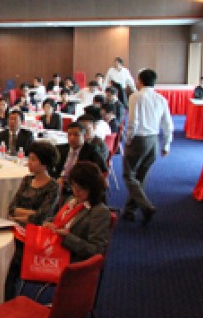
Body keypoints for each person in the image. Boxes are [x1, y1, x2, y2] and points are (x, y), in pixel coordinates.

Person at [4, 141, 60, 299]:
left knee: (11, 260)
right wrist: (28, 214)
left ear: (45, 163)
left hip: (34, 235)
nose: (29, 162)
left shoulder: (53, 186)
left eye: (34, 159)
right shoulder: (27, 180)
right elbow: (11, 208)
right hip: (16, 228)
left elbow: (41, 216)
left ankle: (8, 299)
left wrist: (21, 214)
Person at [122, 69, 173, 225]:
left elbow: (133, 122)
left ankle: (146, 206)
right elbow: (168, 124)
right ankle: (130, 210)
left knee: (129, 175)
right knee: (141, 177)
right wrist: (167, 143)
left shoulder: (135, 97)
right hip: (153, 141)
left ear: (140, 81)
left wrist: (128, 139)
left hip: (139, 139)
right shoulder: (161, 99)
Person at [43, 161, 111, 261]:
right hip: (53, 248)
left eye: (81, 188)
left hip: (72, 258)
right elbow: (60, 220)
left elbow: (96, 250)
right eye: (73, 186)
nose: (75, 191)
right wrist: (48, 223)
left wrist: (67, 238)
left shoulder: (99, 211)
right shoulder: (72, 200)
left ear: (92, 188)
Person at [55, 122, 108, 193]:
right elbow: (51, 167)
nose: (72, 138)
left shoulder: (92, 151)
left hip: (79, 187)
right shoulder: (60, 149)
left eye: (76, 135)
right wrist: (58, 178)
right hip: (59, 183)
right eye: (69, 135)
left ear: (84, 136)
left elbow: (102, 171)